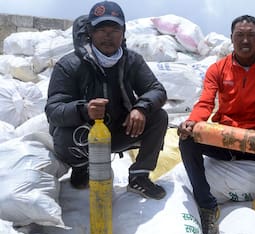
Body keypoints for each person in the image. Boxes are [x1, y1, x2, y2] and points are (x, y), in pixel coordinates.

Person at [177, 15, 255, 234]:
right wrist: (192, 122)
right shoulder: (217, 69)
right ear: (231, 39)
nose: (245, 40)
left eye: (250, 35)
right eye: (239, 35)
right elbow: (205, 102)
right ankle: (206, 205)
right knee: (188, 141)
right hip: (227, 137)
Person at [45, 1, 168, 199]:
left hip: (120, 132)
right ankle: (81, 169)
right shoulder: (69, 65)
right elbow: (53, 110)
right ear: (90, 32)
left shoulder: (132, 61)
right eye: (101, 29)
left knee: (159, 116)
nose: (108, 35)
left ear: (123, 32)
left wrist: (141, 109)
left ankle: (139, 176)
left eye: (114, 30)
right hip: (84, 137)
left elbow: (157, 90)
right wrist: (84, 110)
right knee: (63, 133)